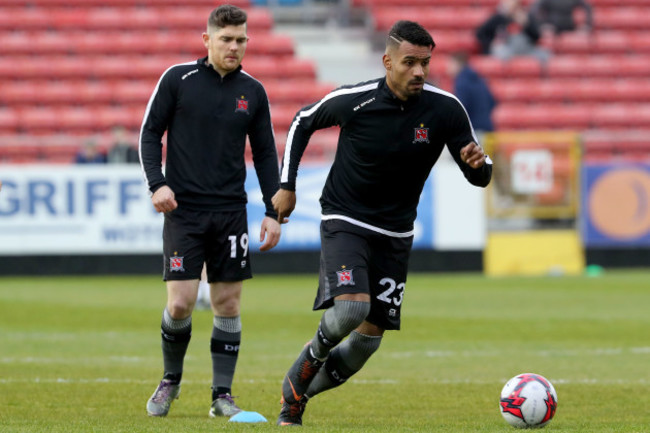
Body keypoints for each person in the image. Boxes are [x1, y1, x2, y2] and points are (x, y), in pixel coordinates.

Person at [271, 20, 492, 426]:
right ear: (387, 61)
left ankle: (297, 393)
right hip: (346, 219)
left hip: (395, 234)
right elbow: (303, 121)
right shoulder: (356, 100)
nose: (419, 72)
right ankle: (310, 363)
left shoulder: (445, 109)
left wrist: (479, 166)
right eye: (410, 63)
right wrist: (287, 186)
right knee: (353, 308)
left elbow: (478, 173)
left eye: (425, 63)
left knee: (367, 341)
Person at [139, 4, 282, 418]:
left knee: (228, 303)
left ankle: (222, 396)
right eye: (226, 39)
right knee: (181, 302)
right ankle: (171, 379)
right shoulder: (178, 79)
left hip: (230, 212)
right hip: (184, 210)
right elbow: (149, 134)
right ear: (207, 40)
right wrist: (157, 183)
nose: (234, 47)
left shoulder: (253, 91)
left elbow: (266, 154)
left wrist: (274, 210)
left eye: (241, 40)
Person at [475, 0, 549, 63]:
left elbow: (537, 36)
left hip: (526, 49)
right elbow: (480, 33)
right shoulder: (498, 18)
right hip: (507, 49)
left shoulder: (526, 17)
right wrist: (491, 43)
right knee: (500, 52)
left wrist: (526, 24)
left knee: (545, 54)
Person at [446, 51, 497, 135]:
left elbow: (461, 108)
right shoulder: (480, 80)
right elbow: (492, 101)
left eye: (450, 64)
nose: (448, 68)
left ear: (457, 64)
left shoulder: (461, 82)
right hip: (487, 128)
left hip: (472, 130)